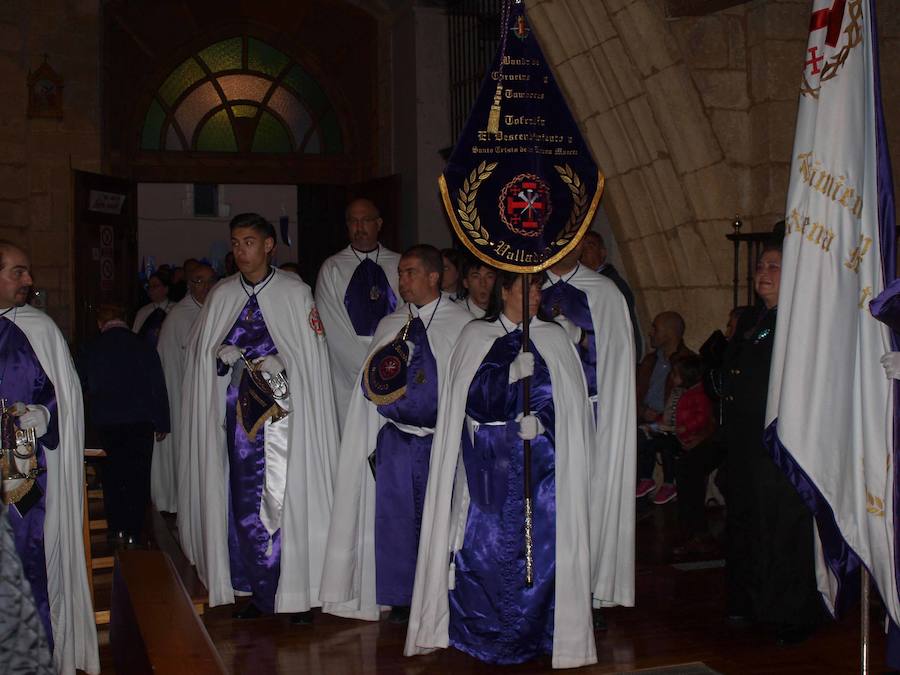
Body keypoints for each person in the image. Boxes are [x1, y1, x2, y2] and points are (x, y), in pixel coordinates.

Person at [406, 271, 597, 668]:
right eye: (526, 288)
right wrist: (508, 376)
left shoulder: (554, 338)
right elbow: (467, 400)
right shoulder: (477, 336)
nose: (535, 296)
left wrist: (544, 423)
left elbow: (572, 407)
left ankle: (537, 632)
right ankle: (485, 633)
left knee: (540, 552)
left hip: (541, 467)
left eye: (539, 288)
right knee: (484, 551)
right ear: (504, 291)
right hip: (490, 465)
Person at [182, 213, 339, 624]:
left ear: (269, 245)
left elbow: (312, 358)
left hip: (285, 421)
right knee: (242, 502)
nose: (240, 251)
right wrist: (220, 356)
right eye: (235, 243)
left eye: (249, 242)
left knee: (285, 501)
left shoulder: (294, 291)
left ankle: (297, 590)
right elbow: (201, 355)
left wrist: (283, 361)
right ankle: (256, 587)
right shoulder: (223, 294)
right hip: (238, 425)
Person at [321, 245, 472, 624]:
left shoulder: (461, 324)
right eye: (400, 273)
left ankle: (442, 591)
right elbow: (369, 387)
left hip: (441, 442)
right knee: (395, 521)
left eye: (409, 273)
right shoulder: (391, 324)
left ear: (433, 277)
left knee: (441, 518)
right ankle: (401, 597)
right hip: (396, 441)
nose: (401, 281)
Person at [0, 241, 99, 673]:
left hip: (18, 471)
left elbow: (64, 399)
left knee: (24, 566)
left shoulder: (37, 328)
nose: (29, 280)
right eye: (18, 272)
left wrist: (44, 413)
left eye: (28, 272)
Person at [722, 242, 821, 645]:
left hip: (778, 442)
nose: (764, 271)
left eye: (774, 265)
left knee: (781, 528)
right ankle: (748, 601)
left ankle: (790, 614)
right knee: (746, 520)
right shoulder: (752, 318)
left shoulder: (798, 321)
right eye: (761, 264)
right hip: (745, 441)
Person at [539, 242, 637, 628]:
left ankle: (589, 591)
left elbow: (616, 358)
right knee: (548, 501)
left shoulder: (604, 293)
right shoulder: (529, 289)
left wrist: (580, 339)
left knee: (589, 500)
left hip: (593, 414)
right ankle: (545, 591)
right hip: (544, 416)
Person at [79, 303, 170, 545]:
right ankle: (134, 530)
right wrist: (162, 421)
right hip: (140, 421)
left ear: (101, 324)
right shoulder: (142, 345)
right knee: (138, 476)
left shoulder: (92, 347)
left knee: (111, 476)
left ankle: (116, 528)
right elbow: (157, 386)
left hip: (107, 421)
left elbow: (82, 384)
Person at [315, 198, 400, 430]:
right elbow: (330, 324)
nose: (359, 227)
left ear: (379, 223)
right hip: (347, 371)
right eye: (353, 221)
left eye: (365, 221)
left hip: (391, 365)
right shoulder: (332, 268)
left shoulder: (399, 264)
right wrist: (364, 367)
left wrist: (387, 362)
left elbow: (406, 315)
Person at [152, 263, 215, 516]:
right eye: (200, 281)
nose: (207, 287)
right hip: (181, 395)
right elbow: (168, 365)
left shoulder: (215, 308)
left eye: (211, 281)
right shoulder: (179, 316)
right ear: (190, 284)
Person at [580, 231, 643, 358]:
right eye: (581, 247)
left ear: (603, 253)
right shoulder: (584, 282)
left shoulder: (612, 284)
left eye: (590, 246)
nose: (584, 251)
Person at [133, 272, 172, 346]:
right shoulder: (143, 311)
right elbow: (135, 337)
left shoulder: (175, 310)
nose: (151, 290)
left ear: (166, 289)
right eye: (149, 286)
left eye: (155, 286)